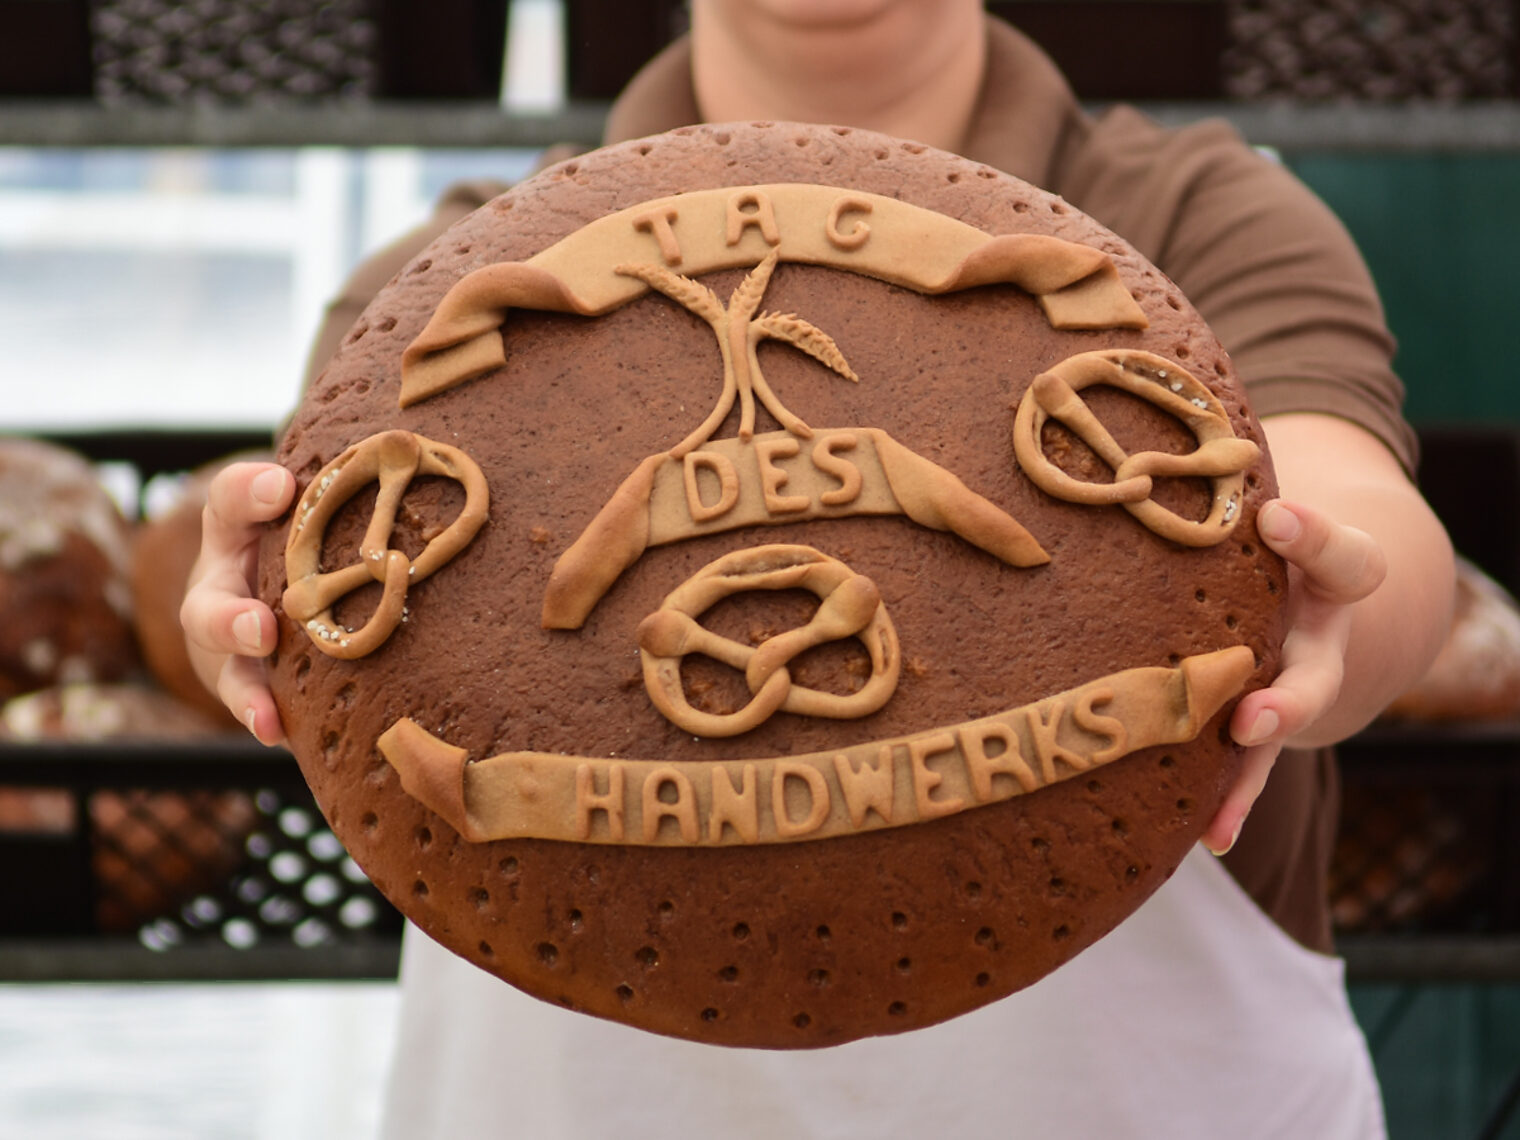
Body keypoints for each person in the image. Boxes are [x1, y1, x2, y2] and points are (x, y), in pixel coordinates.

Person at [183, 2, 1456, 1136]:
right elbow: (305, 568)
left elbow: (1350, 503)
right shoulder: (458, 279)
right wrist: (225, 596)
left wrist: (1339, 606)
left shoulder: (1195, 209)